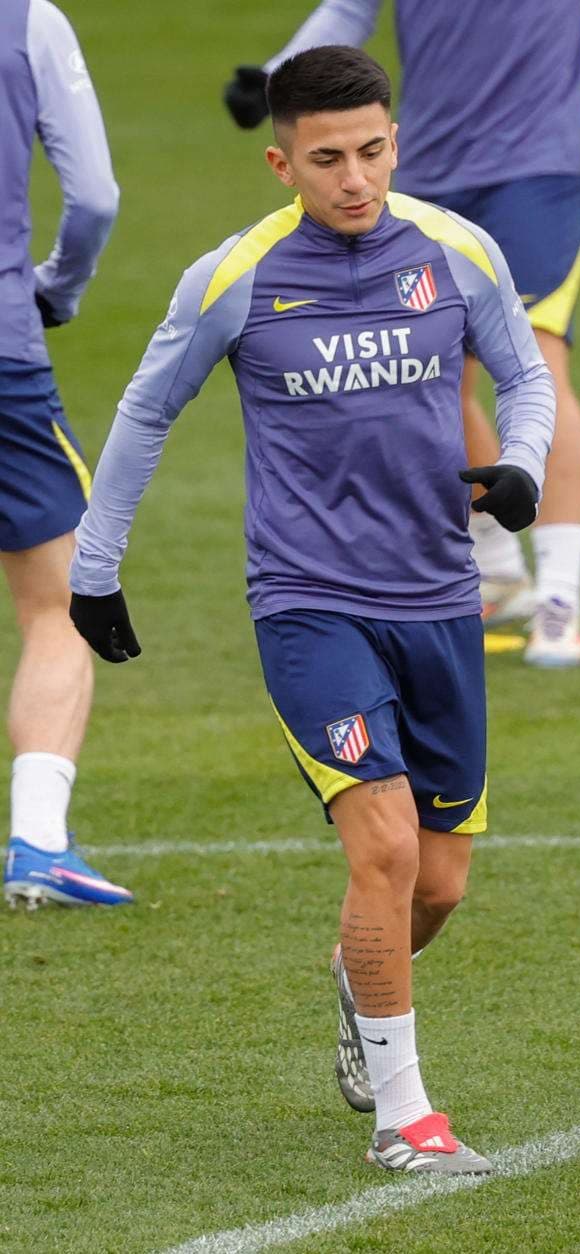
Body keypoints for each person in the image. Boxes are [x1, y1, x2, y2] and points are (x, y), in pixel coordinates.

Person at [69, 46, 555, 1172]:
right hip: (308, 602)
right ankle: (406, 1120)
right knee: (382, 846)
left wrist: (520, 467)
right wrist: (95, 570)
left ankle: (360, 976)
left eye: (374, 151)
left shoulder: (457, 252)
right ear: (282, 161)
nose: (356, 178)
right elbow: (146, 416)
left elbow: (525, 379)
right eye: (328, 159)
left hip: (441, 599)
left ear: (396, 141)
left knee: (438, 882)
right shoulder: (234, 277)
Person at [225, 0, 580, 666]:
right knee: (435, 375)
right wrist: (276, 79)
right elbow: (350, 9)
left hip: (533, 172)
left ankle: (561, 599)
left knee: (537, 365)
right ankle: (499, 568)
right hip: (420, 175)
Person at [0, 0, 128, 908]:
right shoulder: (29, 21)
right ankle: (38, 844)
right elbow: (94, 199)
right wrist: (57, 290)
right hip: (3, 352)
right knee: (60, 601)